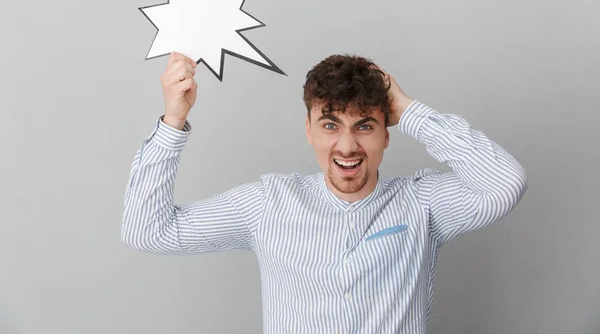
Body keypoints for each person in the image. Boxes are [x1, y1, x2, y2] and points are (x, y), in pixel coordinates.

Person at [122, 51, 528, 333]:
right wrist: (173, 121)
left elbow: (504, 182)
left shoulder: (422, 204)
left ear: (387, 133)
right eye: (331, 125)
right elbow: (147, 232)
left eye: (365, 125)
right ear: (309, 130)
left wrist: (407, 108)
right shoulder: (269, 204)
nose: (347, 146)